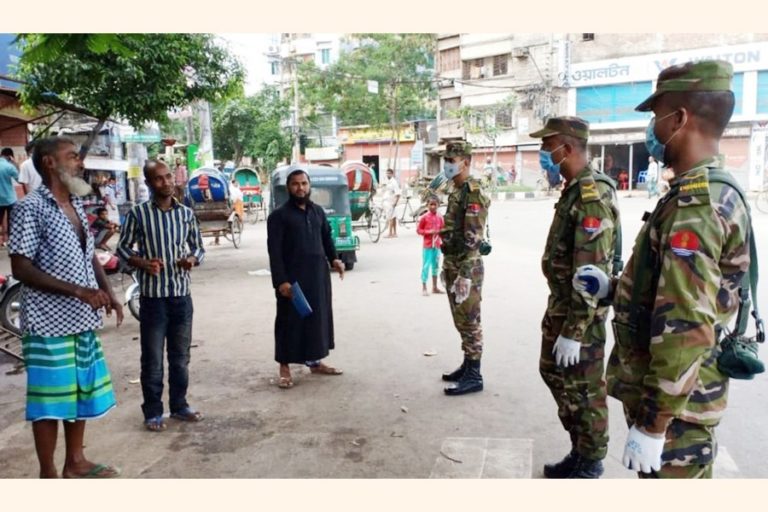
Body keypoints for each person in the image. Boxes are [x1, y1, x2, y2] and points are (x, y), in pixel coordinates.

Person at [577, 60, 752, 479]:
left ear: (679, 119)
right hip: (683, 401)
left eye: (656, 118)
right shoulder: (702, 191)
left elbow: (686, 324)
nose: (652, 130)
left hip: (678, 414)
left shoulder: (697, 205)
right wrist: (615, 289)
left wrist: (654, 424)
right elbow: (676, 291)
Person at [8, 136, 123, 478]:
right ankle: (49, 474)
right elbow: (20, 267)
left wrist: (107, 293)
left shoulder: (74, 204)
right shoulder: (31, 208)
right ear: (49, 163)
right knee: (49, 401)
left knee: (80, 391)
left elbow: (89, 255)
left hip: (81, 320)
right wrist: (78, 291)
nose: (80, 162)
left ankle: (75, 462)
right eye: (73, 156)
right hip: (47, 322)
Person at [529, 117, 621, 479]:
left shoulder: (591, 195)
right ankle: (581, 446)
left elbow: (590, 273)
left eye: (546, 146)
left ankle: (591, 459)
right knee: (554, 374)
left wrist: (575, 330)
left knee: (583, 388)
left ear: (566, 149)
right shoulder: (574, 188)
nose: (542, 154)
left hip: (579, 316)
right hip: (562, 308)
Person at [117, 159, 205, 432]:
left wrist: (191, 259)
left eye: (168, 177)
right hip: (153, 300)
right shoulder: (138, 214)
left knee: (180, 357)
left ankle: (179, 406)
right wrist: (143, 263)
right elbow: (122, 249)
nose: (166, 182)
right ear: (148, 183)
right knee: (152, 359)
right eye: (158, 179)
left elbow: (199, 249)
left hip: (181, 297)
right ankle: (153, 412)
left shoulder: (186, 214)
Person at [267, 169, 345, 389]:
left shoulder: (317, 212)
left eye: (304, 183)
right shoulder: (279, 216)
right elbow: (275, 252)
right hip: (292, 282)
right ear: (288, 187)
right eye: (295, 184)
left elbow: (326, 239)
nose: (300, 188)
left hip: (317, 278)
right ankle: (284, 367)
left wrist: (335, 260)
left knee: (316, 321)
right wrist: (281, 281)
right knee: (288, 322)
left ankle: (315, 362)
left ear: (309, 186)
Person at [438, 140, 490, 396]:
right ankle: (467, 364)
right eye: (446, 160)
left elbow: (474, 236)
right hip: (453, 262)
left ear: (465, 162)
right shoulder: (456, 190)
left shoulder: (473, 192)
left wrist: (465, 275)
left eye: (452, 160)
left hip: (465, 266)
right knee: (460, 320)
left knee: (470, 321)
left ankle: (474, 375)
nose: (447, 164)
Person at [416, 195, 444, 296]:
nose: (433, 206)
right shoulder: (424, 217)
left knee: (436, 266)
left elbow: (443, 230)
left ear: (438, 205)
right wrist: (428, 232)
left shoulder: (440, 217)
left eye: (434, 204)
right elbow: (419, 230)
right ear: (427, 205)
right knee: (426, 265)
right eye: (430, 204)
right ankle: (424, 287)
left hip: (436, 246)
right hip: (427, 246)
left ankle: (435, 287)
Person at [0, 147, 19, 245]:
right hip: (10, 198)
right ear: (10, 156)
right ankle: (11, 241)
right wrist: (15, 164)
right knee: (12, 220)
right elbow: (19, 178)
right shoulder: (9, 166)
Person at [382, 168, 401, 238]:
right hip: (388, 201)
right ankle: (394, 233)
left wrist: (395, 202)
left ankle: (390, 233)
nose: (388, 174)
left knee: (390, 218)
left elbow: (398, 194)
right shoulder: (388, 181)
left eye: (389, 173)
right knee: (393, 217)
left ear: (392, 174)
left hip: (391, 202)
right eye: (387, 173)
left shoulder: (394, 182)